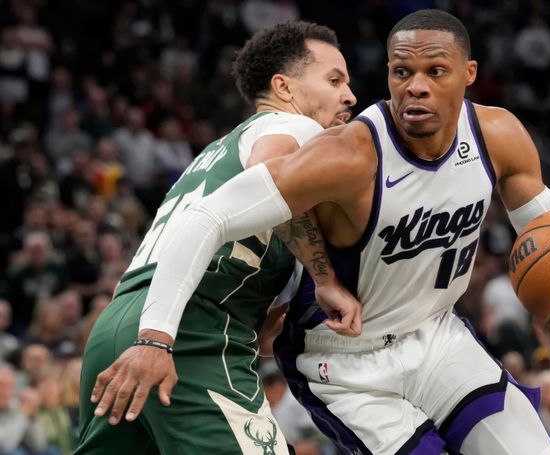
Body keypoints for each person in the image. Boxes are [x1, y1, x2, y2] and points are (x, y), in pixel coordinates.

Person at [91, 9, 550, 455]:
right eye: (401, 73)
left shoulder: (498, 134)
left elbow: (548, 241)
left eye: (436, 72)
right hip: (346, 362)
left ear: (469, 74)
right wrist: (156, 336)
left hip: (436, 338)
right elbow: (214, 213)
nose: (416, 87)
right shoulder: (344, 151)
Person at [75, 21, 359, 454]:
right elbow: (271, 173)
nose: (350, 96)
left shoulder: (214, 152)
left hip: (120, 322)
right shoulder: (296, 128)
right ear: (283, 87)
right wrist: (325, 278)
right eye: (334, 80)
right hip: (189, 330)